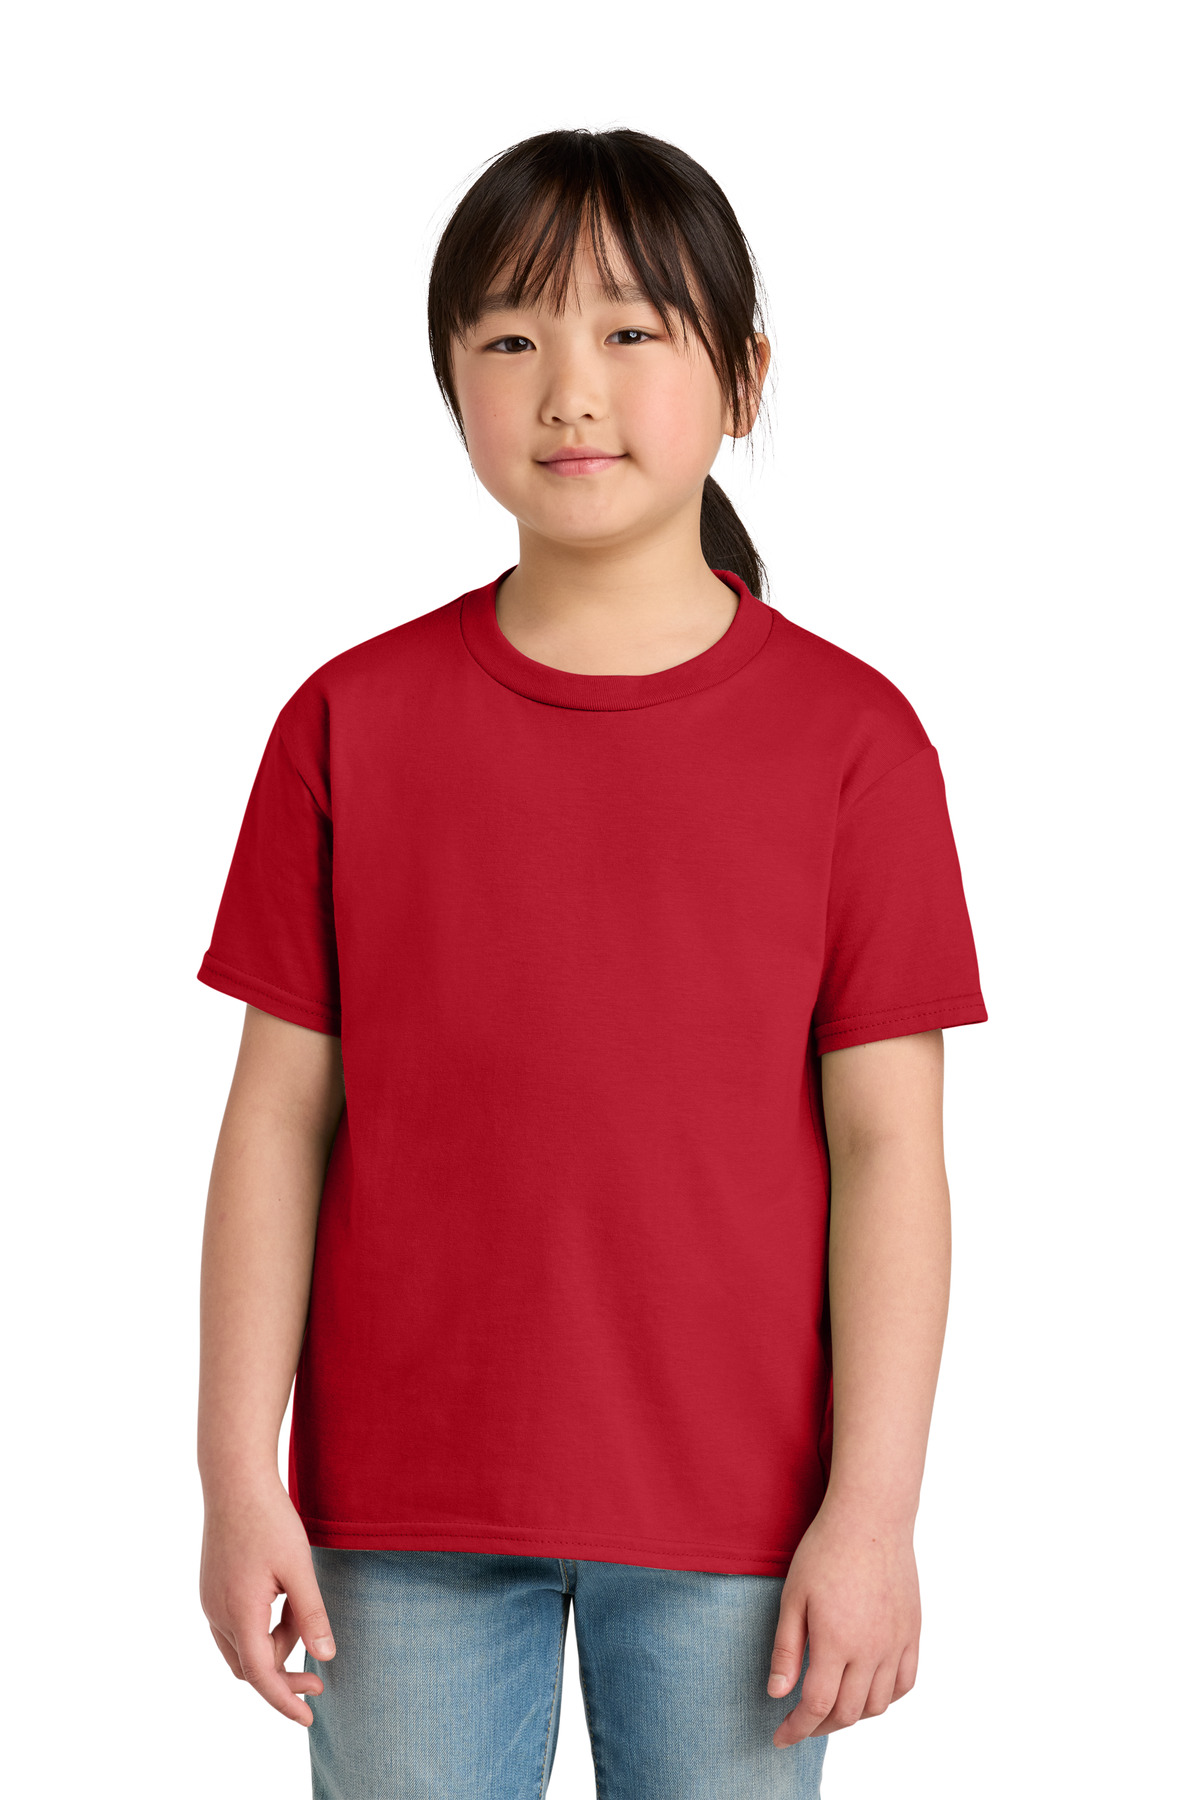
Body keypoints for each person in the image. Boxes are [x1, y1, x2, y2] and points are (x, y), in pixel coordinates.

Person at [196, 127, 987, 1800]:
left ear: (744, 378)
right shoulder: (348, 723)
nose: (570, 389)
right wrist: (233, 1473)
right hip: (399, 1512)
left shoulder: (855, 743)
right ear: (452, 385)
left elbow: (889, 1151)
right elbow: (275, 1120)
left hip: (743, 1521)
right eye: (511, 337)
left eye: (632, 330)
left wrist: (875, 1509)